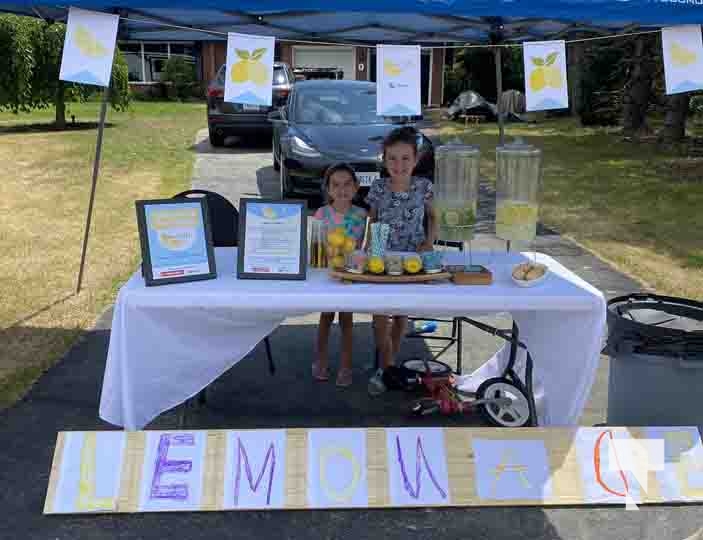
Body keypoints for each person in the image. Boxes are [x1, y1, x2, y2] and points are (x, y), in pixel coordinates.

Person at [365, 126, 438, 396]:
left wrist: (429, 242)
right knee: (380, 316)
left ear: (416, 160)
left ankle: (388, 367)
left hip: (412, 261)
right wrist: (370, 250)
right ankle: (387, 365)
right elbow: (372, 219)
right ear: (384, 160)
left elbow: (434, 217)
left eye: (405, 158)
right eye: (392, 158)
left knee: (401, 315)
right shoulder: (378, 187)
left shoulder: (424, 187)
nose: (399, 164)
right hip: (382, 258)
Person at [312, 163, 368, 387]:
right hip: (328, 275)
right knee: (326, 317)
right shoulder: (321, 213)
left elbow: (363, 246)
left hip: (349, 276)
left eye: (347, 184)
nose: (342, 189)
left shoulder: (362, 214)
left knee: (346, 320)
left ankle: (346, 366)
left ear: (356, 188)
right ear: (328, 189)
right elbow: (316, 245)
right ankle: (320, 360)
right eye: (336, 185)